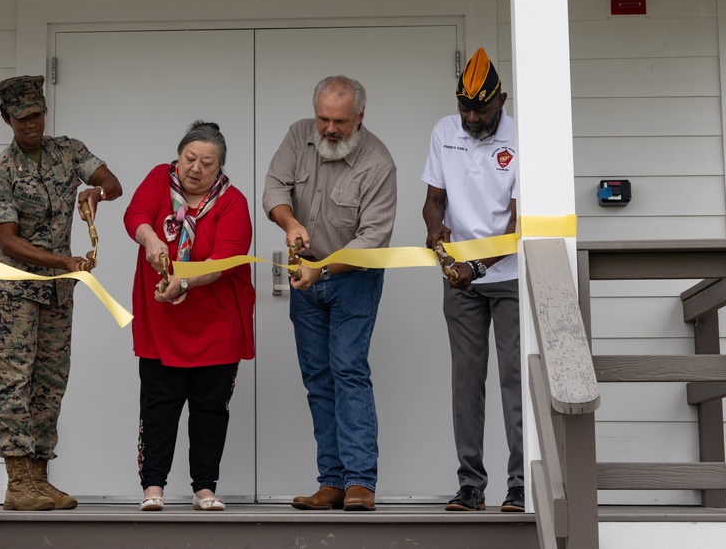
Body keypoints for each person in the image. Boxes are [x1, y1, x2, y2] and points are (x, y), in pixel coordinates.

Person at [0, 75, 122, 511]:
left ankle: (39, 479)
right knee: (13, 383)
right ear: (7, 119)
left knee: (50, 383)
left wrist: (96, 193)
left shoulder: (69, 151)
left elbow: (113, 182)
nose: (31, 125)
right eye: (22, 118)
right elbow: (8, 240)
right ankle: (17, 482)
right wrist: (63, 262)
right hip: (12, 293)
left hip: (58, 294)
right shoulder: (1, 174)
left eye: (37, 114)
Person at [262, 75, 396, 512]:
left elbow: (372, 239)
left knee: (348, 371)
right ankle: (331, 482)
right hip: (307, 277)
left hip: (353, 278)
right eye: (323, 118)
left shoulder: (378, 163)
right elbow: (274, 189)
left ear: (360, 117)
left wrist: (320, 270)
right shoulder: (298, 134)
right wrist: (290, 224)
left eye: (339, 121)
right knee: (318, 378)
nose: (329, 129)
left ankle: (360, 482)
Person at [123, 120, 255, 512]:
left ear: (220, 168)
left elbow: (225, 261)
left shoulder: (234, 201)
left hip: (217, 321)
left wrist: (184, 282)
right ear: (178, 157)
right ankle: (153, 488)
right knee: (158, 405)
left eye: (207, 163)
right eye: (189, 158)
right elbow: (136, 216)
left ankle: (204, 489)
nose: (195, 168)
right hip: (162, 320)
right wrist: (151, 241)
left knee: (210, 409)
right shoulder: (157, 180)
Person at [421, 47, 523, 513]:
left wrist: (477, 267)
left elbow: (518, 226)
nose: (471, 116)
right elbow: (435, 200)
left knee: (514, 378)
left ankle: (520, 484)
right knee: (466, 381)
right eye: (464, 106)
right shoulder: (446, 130)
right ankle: (471, 486)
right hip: (459, 278)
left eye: (481, 108)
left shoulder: (523, 135)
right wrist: (434, 232)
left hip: (509, 277)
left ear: (500, 99)